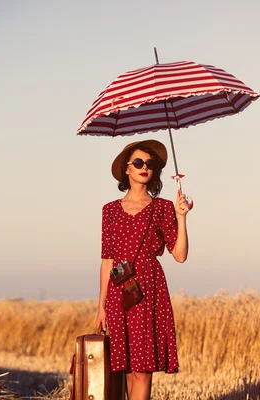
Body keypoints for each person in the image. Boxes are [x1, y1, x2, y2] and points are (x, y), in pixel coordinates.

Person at [95, 139, 190, 400]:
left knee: (143, 368)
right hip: (119, 290)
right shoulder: (110, 211)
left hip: (148, 288)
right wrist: (101, 305)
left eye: (149, 164)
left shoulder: (162, 207)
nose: (144, 167)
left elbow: (180, 255)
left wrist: (181, 218)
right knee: (125, 365)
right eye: (138, 162)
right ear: (126, 170)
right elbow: (106, 261)